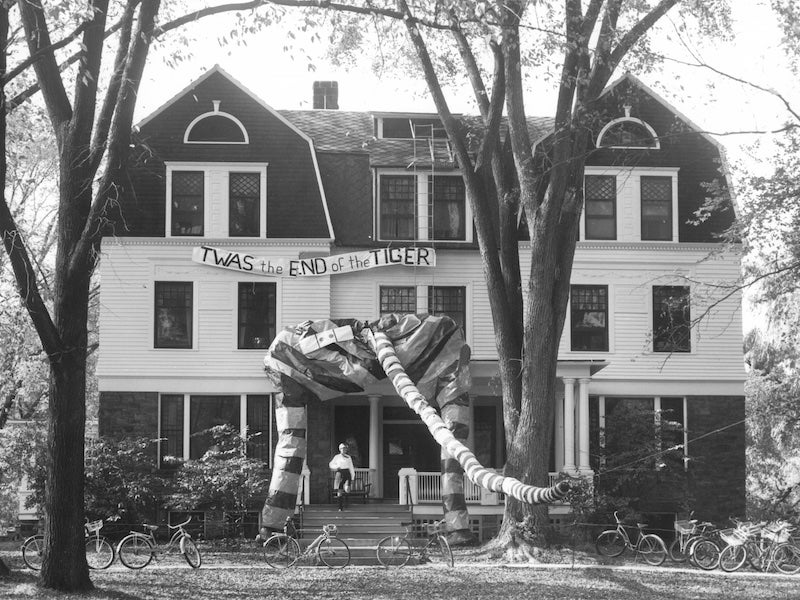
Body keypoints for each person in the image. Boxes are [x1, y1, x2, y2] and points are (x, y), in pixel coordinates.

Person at [329, 442, 355, 511]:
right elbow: (331, 464)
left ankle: (346, 502)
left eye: (345, 448)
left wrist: (352, 477)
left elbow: (351, 467)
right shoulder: (337, 457)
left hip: (347, 473)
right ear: (340, 449)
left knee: (347, 489)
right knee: (339, 491)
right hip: (340, 473)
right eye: (343, 448)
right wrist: (337, 466)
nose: (344, 450)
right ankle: (340, 507)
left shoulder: (348, 457)